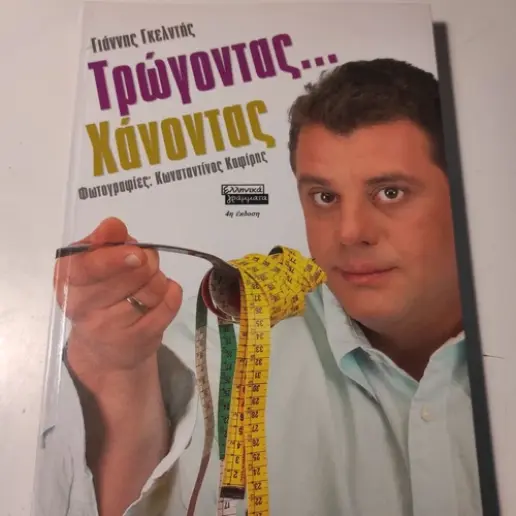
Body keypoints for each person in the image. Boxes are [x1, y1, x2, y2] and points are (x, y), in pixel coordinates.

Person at [34, 58, 483, 516]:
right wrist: (116, 369)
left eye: (390, 193)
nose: (350, 232)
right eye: (324, 197)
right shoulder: (202, 351)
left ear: (469, 194)